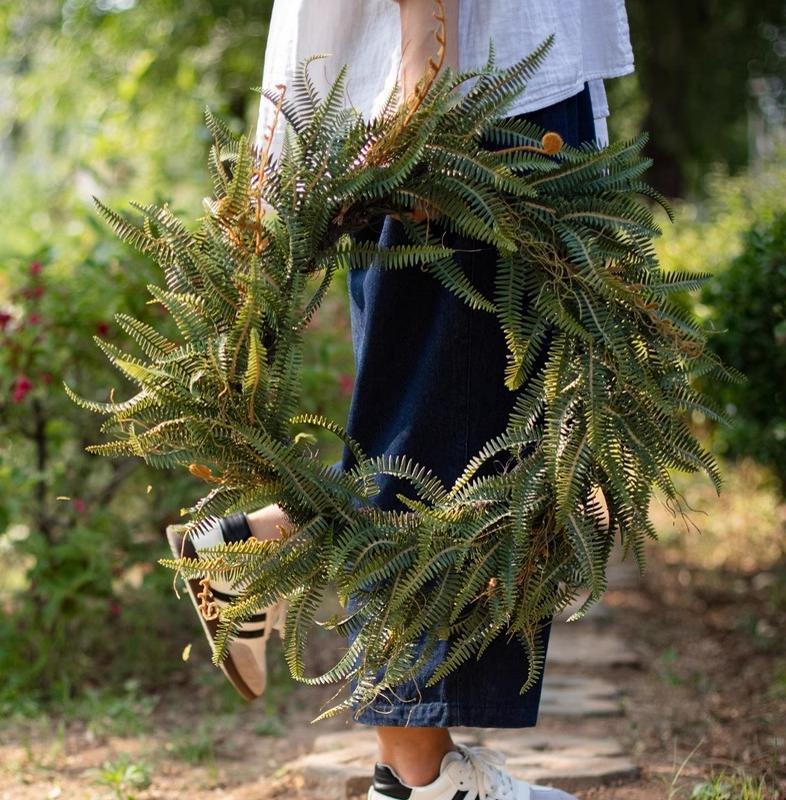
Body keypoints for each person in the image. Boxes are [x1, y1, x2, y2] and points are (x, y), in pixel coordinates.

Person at [166, 1, 634, 797]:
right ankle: (420, 779)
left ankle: (259, 553)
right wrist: (425, 68)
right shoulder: (447, 86)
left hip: (482, 86)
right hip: (473, 96)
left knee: (452, 430)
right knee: (448, 446)